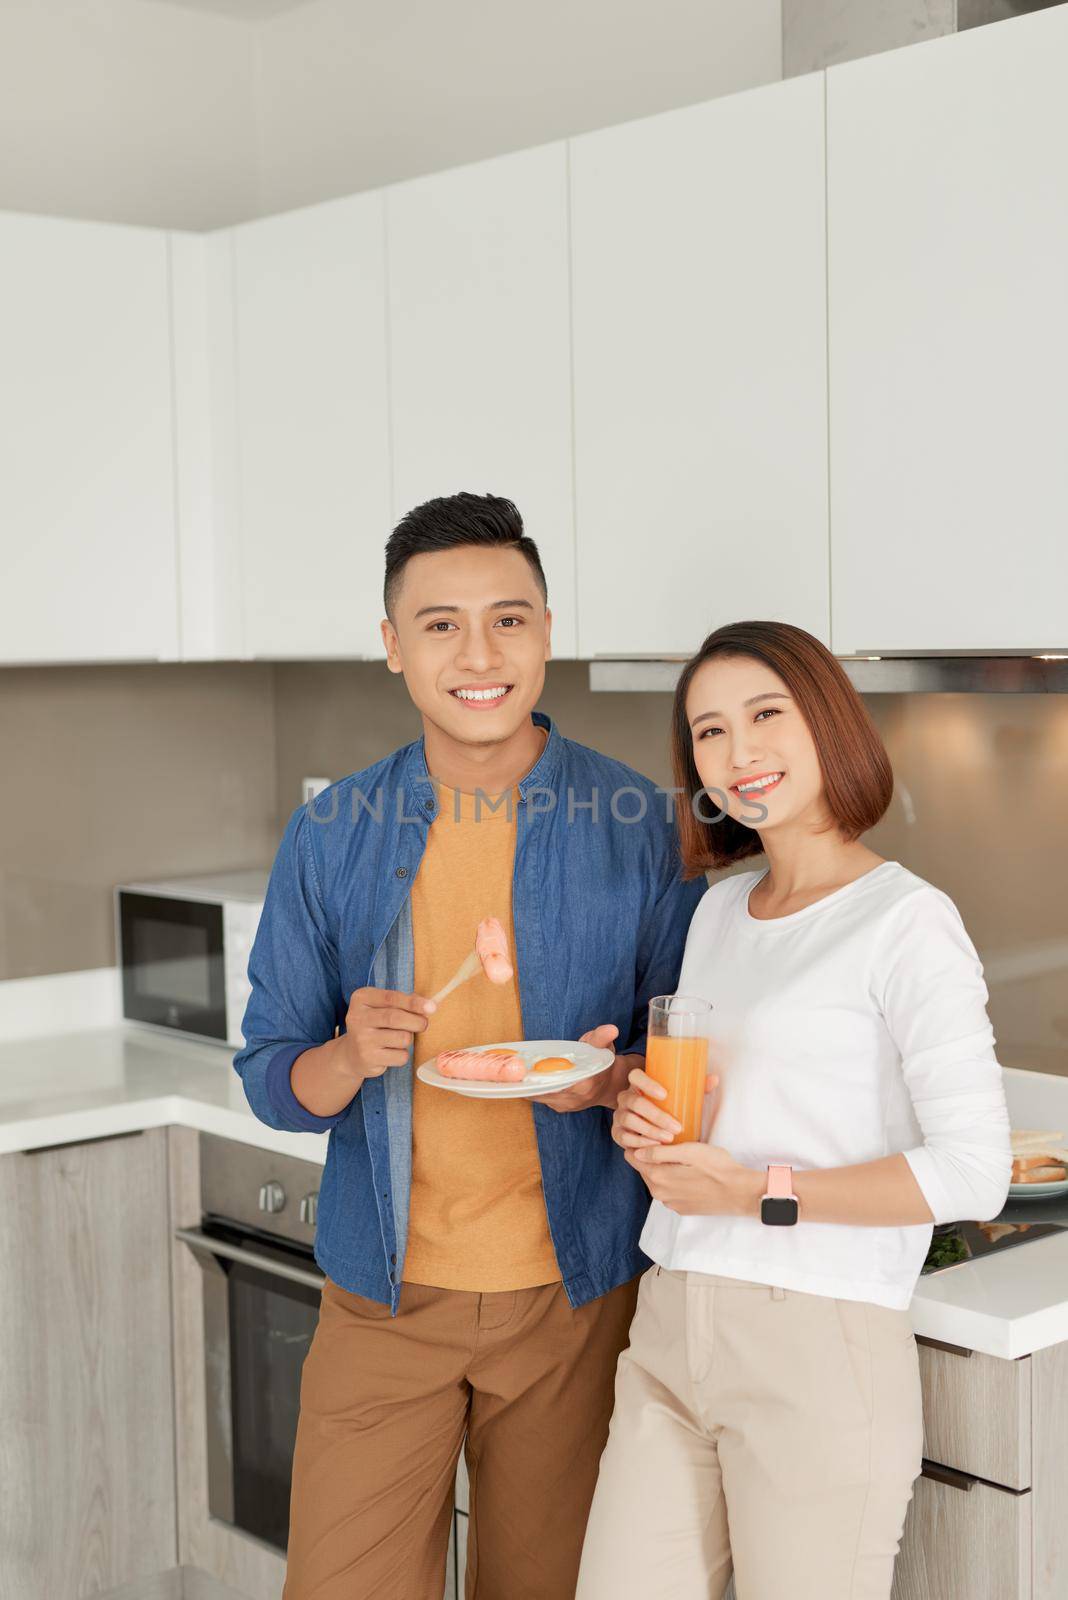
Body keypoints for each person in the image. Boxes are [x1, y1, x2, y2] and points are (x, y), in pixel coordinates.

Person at [233, 492, 706, 1600]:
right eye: (440, 623)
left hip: (576, 1300)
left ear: (547, 629)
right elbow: (270, 1073)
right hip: (381, 1297)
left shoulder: (638, 825)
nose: (479, 652)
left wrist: (610, 1084)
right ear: (393, 645)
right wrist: (347, 1056)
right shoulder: (334, 832)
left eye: (509, 617)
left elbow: (684, 1065)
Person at [576, 619, 1012, 1600]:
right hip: (671, 1322)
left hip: (815, 1344)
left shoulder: (905, 921)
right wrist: (648, 1125)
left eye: (766, 713)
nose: (740, 751)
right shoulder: (720, 908)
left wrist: (756, 1191)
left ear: (828, 721)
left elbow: (973, 1168)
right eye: (710, 730)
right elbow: (722, 1109)